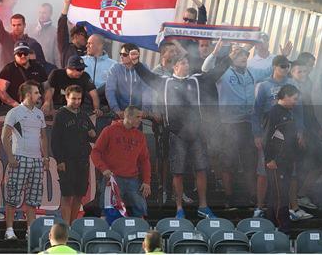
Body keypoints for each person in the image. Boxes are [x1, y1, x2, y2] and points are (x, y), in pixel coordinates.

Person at [132, 49, 234, 219]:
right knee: (177, 172)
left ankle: (203, 206)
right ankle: (179, 208)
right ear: (175, 66)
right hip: (176, 134)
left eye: (188, 63)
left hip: (197, 133)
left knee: (201, 169)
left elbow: (215, 73)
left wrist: (230, 58)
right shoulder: (165, 82)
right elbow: (147, 76)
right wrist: (136, 63)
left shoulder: (196, 80)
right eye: (183, 63)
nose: (187, 65)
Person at [202, 45, 273, 209]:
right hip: (229, 125)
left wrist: (283, 56)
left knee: (250, 163)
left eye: (246, 55)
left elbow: (269, 70)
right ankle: (229, 197)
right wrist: (213, 54)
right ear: (231, 57)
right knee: (228, 163)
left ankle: (253, 197)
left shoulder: (252, 72)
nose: (243, 57)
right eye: (239, 55)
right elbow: (205, 69)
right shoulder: (224, 72)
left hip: (248, 124)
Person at [252, 55, 309, 220]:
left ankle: (292, 207)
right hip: (270, 134)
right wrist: (257, 134)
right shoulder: (263, 86)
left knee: (291, 173)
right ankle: (259, 207)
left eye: (287, 66)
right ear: (274, 67)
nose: (285, 69)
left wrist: (300, 130)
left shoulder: (292, 85)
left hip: (289, 137)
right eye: (282, 66)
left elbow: (299, 111)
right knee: (263, 171)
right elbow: (255, 112)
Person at [1, 80, 49, 240]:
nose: (39, 95)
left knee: (33, 198)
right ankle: (9, 229)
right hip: (19, 158)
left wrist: (46, 157)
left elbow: (43, 137)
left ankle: (30, 230)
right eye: (36, 92)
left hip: (36, 160)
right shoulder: (15, 112)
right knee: (12, 195)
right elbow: (4, 135)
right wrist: (10, 157)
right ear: (28, 94)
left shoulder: (39, 113)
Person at [91, 106, 151, 218]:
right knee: (107, 212)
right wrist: (103, 169)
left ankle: (141, 234)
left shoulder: (140, 136)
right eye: (137, 117)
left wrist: (146, 181)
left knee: (141, 212)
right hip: (112, 178)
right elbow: (95, 152)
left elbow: (144, 160)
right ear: (128, 116)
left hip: (133, 179)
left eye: (141, 117)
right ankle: (105, 234)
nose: (140, 120)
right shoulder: (109, 130)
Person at [51, 85, 96, 224]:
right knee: (67, 195)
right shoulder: (61, 115)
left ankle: (73, 224)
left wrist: (93, 134)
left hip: (82, 160)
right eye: (73, 99)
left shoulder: (83, 115)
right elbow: (55, 141)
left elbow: (93, 135)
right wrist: (60, 161)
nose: (76, 102)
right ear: (67, 97)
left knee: (79, 195)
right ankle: (65, 227)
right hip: (67, 160)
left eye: (79, 99)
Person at [264, 84, 301, 234]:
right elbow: (267, 137)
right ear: (285, 96)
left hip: (287, 160)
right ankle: (284, 226)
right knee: (280, 194)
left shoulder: (289, 112)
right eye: (294, 99)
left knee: (279, 193)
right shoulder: (273, 113)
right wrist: (269, 159)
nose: (296, 102)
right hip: (276, 162)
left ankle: (272, 222)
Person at [289, 60, 322, 212]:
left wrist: (318, 128)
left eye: (305, 71)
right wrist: (300, 132)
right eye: (299, 71)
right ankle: (295, 200)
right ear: (292, 72)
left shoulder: (308, 84)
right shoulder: (290, 88)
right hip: (297, 133)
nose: (303, 74)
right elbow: (293, 113)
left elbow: (309, 111)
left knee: (319, 163)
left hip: (310, 131)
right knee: (298, 168)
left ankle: (301, 195)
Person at [0, 0, 44, 68]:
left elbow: (41, 64)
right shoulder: (6, 38)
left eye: (19, 25)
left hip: (26, 78)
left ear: (24, 25)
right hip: (8, 77)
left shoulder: (32, 43)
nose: (16, 28)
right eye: (14, 25)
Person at [105, 43, 152, 120]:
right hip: (120, 113)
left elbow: (147, 90)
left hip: (137, 114)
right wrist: (116, 109)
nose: (121, 56)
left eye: (124, 54)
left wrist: (145, 110)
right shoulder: (115, 68)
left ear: (134, 56)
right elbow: (110, 90)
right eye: (120, 54)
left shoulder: (143, 68)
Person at [0, 42, 48, 107]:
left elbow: (47, 88)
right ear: (15, 55)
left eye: (25, 53)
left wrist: (47, 103)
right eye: (19, 54)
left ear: (29, 54)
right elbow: (0, 91)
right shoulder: (8, 69)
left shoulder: (38, 67)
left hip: (37, 108)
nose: (23, 56)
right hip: (16, 110)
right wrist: (16, 105)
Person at [58, 0, 88, 68]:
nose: (86, 37)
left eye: (87, 35)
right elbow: (61, 27)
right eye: (83, 34)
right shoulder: (65, 48)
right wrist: (67, 4)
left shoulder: (89, 50)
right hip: (67, 79)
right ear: (75, 35)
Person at [82, 34, 116, 99]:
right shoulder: (80, 60)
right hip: (82, 101)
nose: (87, 46)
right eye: (87, 43)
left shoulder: (114, 65)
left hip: (103, 103)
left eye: (90, 43)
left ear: (100, 45)